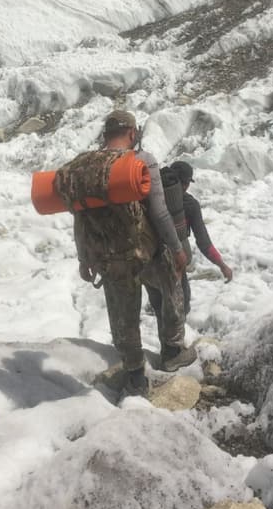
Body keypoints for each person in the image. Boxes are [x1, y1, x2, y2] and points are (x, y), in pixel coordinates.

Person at [74, 111, 197, 397]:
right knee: (171, 291)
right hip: (147, 251)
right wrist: (178, 248)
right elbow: (159, 211)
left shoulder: (86, 168)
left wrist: (84, 258)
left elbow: (80, 219)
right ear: (132, 133)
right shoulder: (142, 161)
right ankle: (172, 351)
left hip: (110, 256)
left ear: (105, 134)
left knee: (123, 314)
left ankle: (135, 376)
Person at [169, 160, 233, 314]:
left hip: (149, 262)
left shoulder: (153, 197)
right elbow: (203, 242)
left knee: (158, 306)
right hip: (175, 264)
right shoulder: (190, 205)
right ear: (186, 184)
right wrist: (222, 265)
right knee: (180, 308)